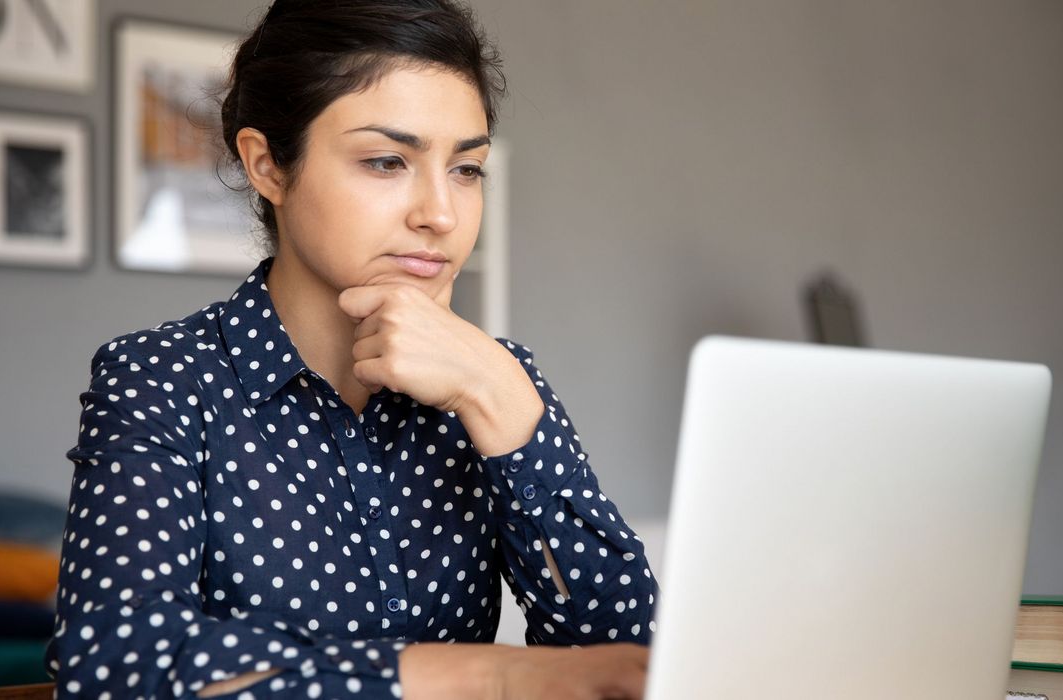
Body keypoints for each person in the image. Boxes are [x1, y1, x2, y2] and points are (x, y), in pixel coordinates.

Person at [43, 1, 658, 697]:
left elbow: (633, 664)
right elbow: (114, 668)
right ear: (268, 164)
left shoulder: (493, 377)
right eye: (387, 160)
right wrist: (495, 673)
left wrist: (501, 397)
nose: (441, 215)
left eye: (467, 169)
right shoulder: (162, 379)